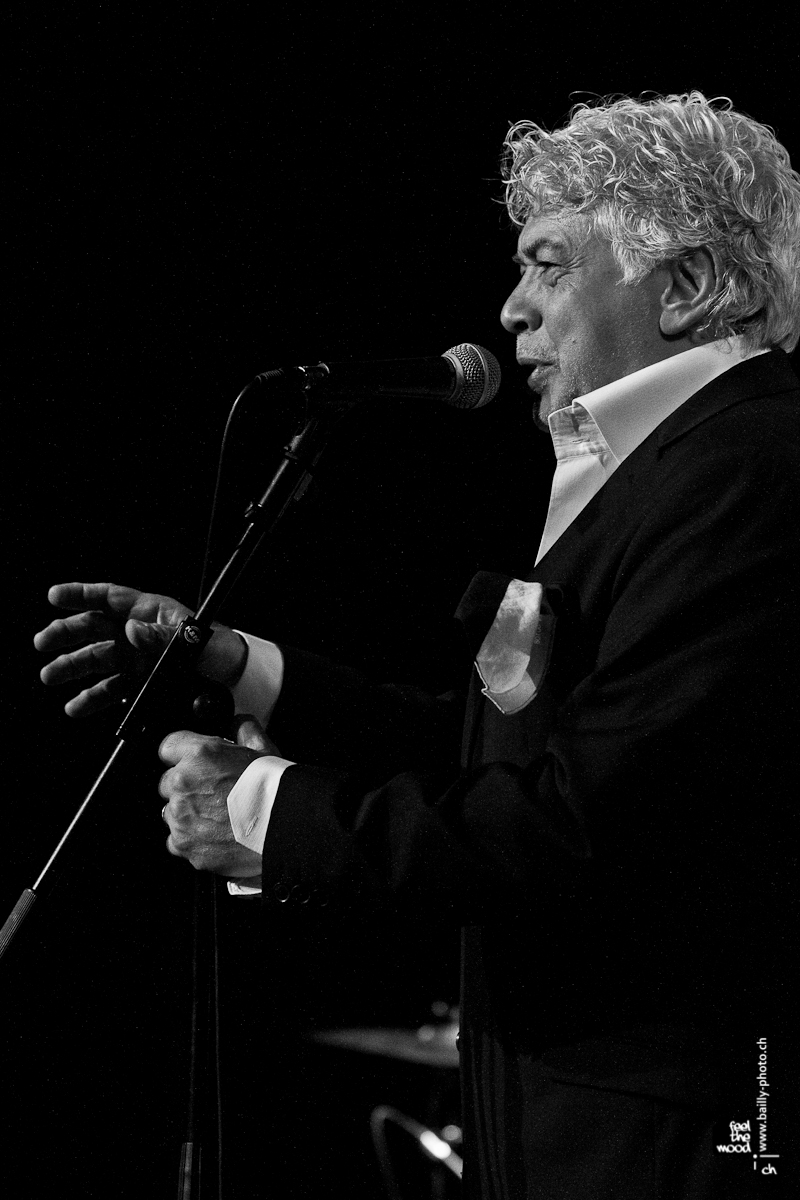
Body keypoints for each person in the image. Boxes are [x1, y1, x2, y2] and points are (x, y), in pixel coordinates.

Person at [35, 92, 800, 1197]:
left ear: (683, 287)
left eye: (547, 266)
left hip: (686, 1140)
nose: (510, 310)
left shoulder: (752, 469)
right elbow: (505, 762)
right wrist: (241, 666)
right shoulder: (671, 468)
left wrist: (270, 812)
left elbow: (586, 822)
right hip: (586, 1126)